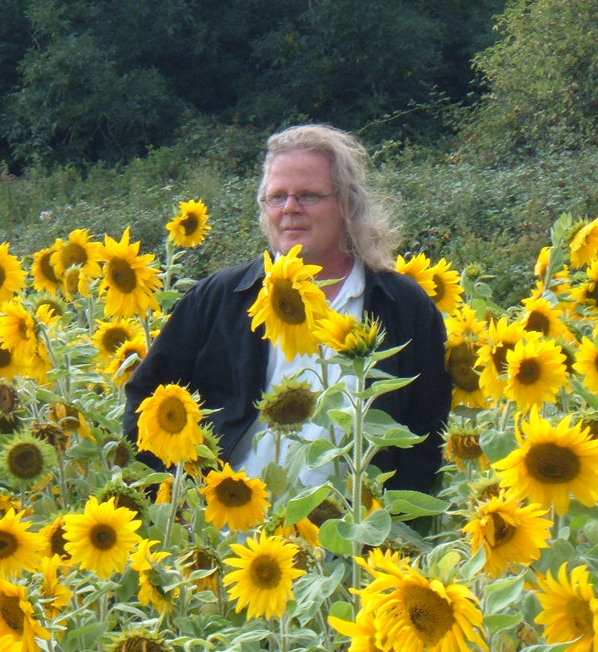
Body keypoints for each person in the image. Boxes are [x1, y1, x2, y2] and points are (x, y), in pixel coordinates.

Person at [122, 123, 450, 495]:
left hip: (355, 526)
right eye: (277, 196)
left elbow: (425, 434)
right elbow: (146, 400)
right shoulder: (219, 300)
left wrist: (393, 522)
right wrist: (171, 498)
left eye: (308, 195)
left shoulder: (403, 308)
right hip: (232, 522)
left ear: (347, 204)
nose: (290, 208)